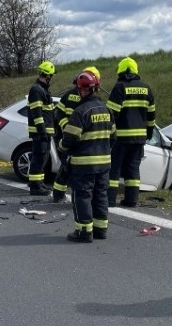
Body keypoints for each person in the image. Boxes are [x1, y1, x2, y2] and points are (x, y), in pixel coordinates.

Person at [58, 71, 115, 242]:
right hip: (104, 163)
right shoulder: (107, 110)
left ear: (81, 90)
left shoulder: (80, 112)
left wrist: (61, 147)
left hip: (84, 164)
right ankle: (100, 230)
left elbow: (69, 139)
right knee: (101, 195)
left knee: (82, 195)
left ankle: (84, 232)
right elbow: (113, 137)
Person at [106, 57, 156, 207]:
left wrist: (108, 135)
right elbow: (151, 116)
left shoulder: (119, 87)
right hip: (139, 138)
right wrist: (149, 134)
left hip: (120, 138)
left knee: (114, 169)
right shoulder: (147, 88)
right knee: (133, 169)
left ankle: (110, 200)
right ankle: (131, 200)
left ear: (121, 71)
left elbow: (111, 115)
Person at [51, 66, 101, 203]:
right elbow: (58, 113)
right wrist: (66, 127)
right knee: (68, 168)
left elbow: (59, 113)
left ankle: (64, 195)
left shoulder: (72, 95)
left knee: (69, 169)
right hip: (73, 138)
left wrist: (65, 126)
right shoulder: (74, 96)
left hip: (78, 138)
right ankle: (60, 195)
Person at [26, 61, 56, 195]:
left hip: (45, 132)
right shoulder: (37, 90)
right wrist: (42, 130)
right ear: (47, 75)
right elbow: (37, 113)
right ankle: (35, 187)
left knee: (43, 158)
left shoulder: (43, 90)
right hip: (40, 132)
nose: (51, 78)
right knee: (39, 158)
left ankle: (39, 183)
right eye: (51, 76)